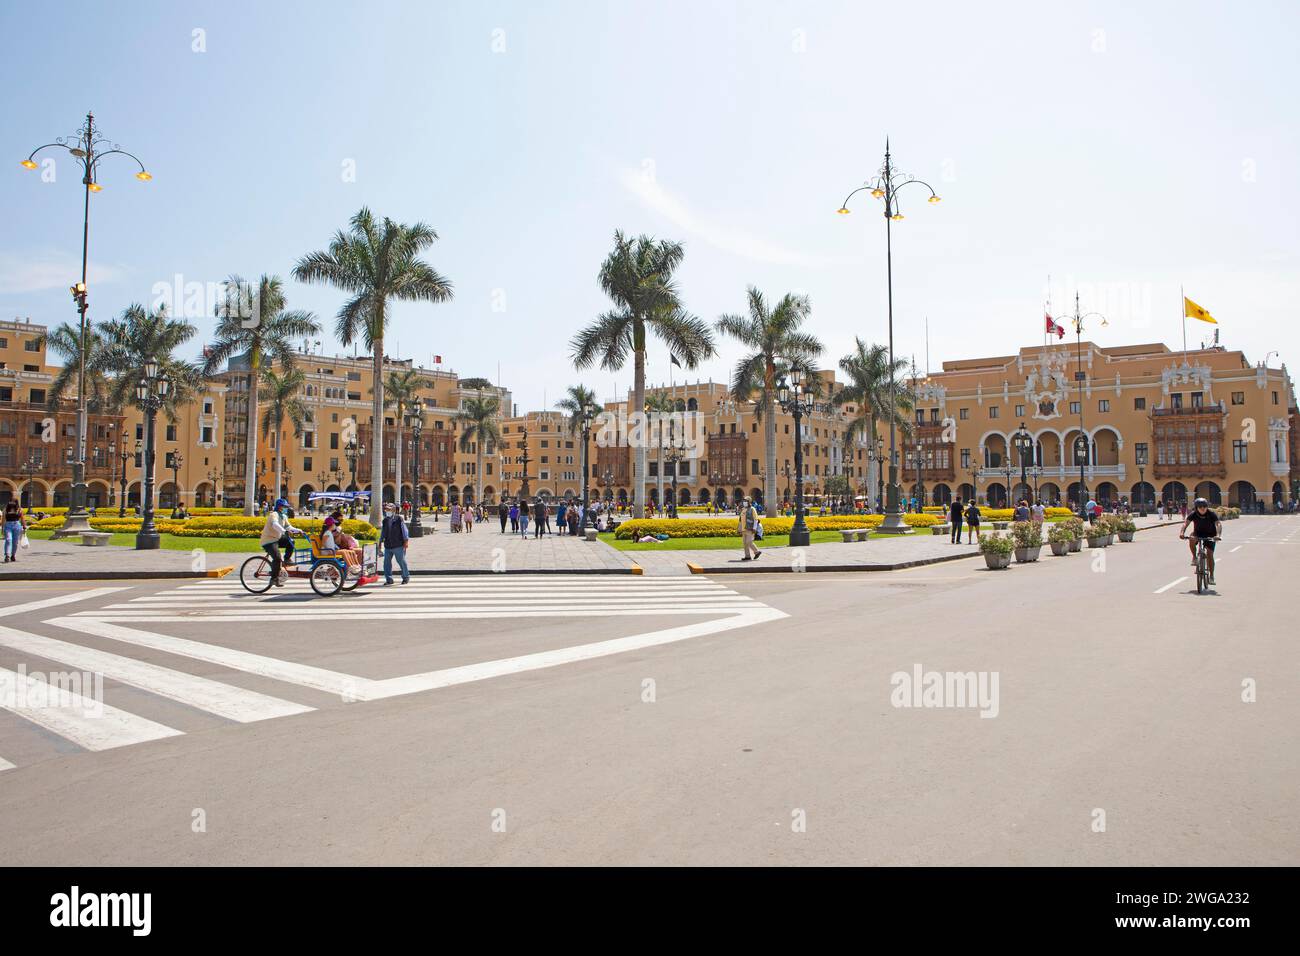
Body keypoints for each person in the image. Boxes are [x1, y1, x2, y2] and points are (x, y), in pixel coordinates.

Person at [259, 498, 304, 586]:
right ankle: (274, 579)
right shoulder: (274, 514)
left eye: (286, 507)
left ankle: (287, 559)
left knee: (291, 541)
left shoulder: (283, 516)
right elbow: (275, 524)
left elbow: (289, 527)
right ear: (279, 507)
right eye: (284, 506)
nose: (286, 508)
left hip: (277, 539)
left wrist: (299, 530)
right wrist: (284, 531)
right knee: (277, 558)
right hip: (268, 541)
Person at [1179, 497, 1222, 585]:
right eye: (1200, 506)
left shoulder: (1211, 514)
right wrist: (1182, 532)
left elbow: (1218, 524)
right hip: (1198, 533)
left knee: (1210, 554)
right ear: (1196, 507)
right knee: (1191, 538)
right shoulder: (1193, 514)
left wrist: (1217, 535)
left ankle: (1211, 576)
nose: (1202, 508)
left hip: (1210, 535)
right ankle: (1194, 557)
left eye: (1204, 506)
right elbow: (1185, 523)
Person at [381, 502, 410, 585]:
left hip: (398, 545)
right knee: (386, 563)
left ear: (393, 510)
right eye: (386, 509)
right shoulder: (385, 520)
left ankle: (405, 577)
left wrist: (406, 541)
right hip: (388, 545)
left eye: (389, 509)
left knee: (401, 561)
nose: (387, 511)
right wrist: (380, 542)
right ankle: (389, 579)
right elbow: (383, 532)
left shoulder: (399, 519)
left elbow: (404, 531)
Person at [738, 495, 762, 562]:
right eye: (744, 501)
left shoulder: (752, 509)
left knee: (749, 541)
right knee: (745, 543)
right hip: (743, 529)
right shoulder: (743, 509)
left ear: (749, 502)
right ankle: (747, 556)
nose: (744, 502)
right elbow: (740, 520)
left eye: (746, 501)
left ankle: (757, 552)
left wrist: (754, 528)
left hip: (750, 528)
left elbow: (755, 519)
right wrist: (739, 529)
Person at [3, 499, 26, 563]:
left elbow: (22, 518)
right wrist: (2, 528)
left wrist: (24, 526)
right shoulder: (6, 509)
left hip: (16, 525)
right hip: (8, 525)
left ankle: (13, 555)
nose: (12, 503)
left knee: (15, 542)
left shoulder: (19, 509)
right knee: (8, 539)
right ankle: (7, 555)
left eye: (13, 502)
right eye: (10, 501)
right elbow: (3, 520)